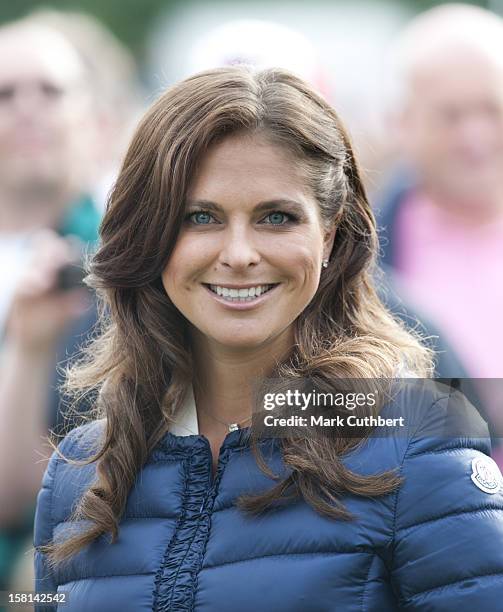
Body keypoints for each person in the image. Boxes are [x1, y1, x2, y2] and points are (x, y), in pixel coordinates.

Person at [34, 67, 503, 611]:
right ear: (151, 234)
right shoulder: (78, 475)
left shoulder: (418, 441)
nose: (238, 254)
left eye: (276, 217)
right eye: (201, 217)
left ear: (328, 234)